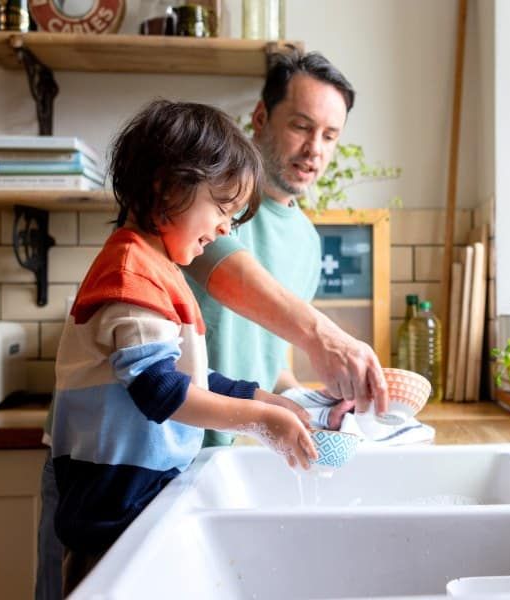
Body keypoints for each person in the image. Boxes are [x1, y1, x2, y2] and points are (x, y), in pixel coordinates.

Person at [47, 100, 318, 596]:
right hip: (109, 513)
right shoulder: (130, 276)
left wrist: (262, 399)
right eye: (222, 207)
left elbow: (187, 377)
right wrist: (260, 422)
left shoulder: (160, 272)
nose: (225, 229)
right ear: (166, 187)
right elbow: (161, 393)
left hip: (132, 502)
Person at [185, 50, 359, 444]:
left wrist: (309, 403)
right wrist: (325, 337)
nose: (315, 148)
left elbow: (269, 365)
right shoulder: (208, 189)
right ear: (261, 118)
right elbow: (226, 272)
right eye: (301, 126)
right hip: (131, 457)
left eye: (330, 136)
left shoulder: (307, 242)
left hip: (216, 454)